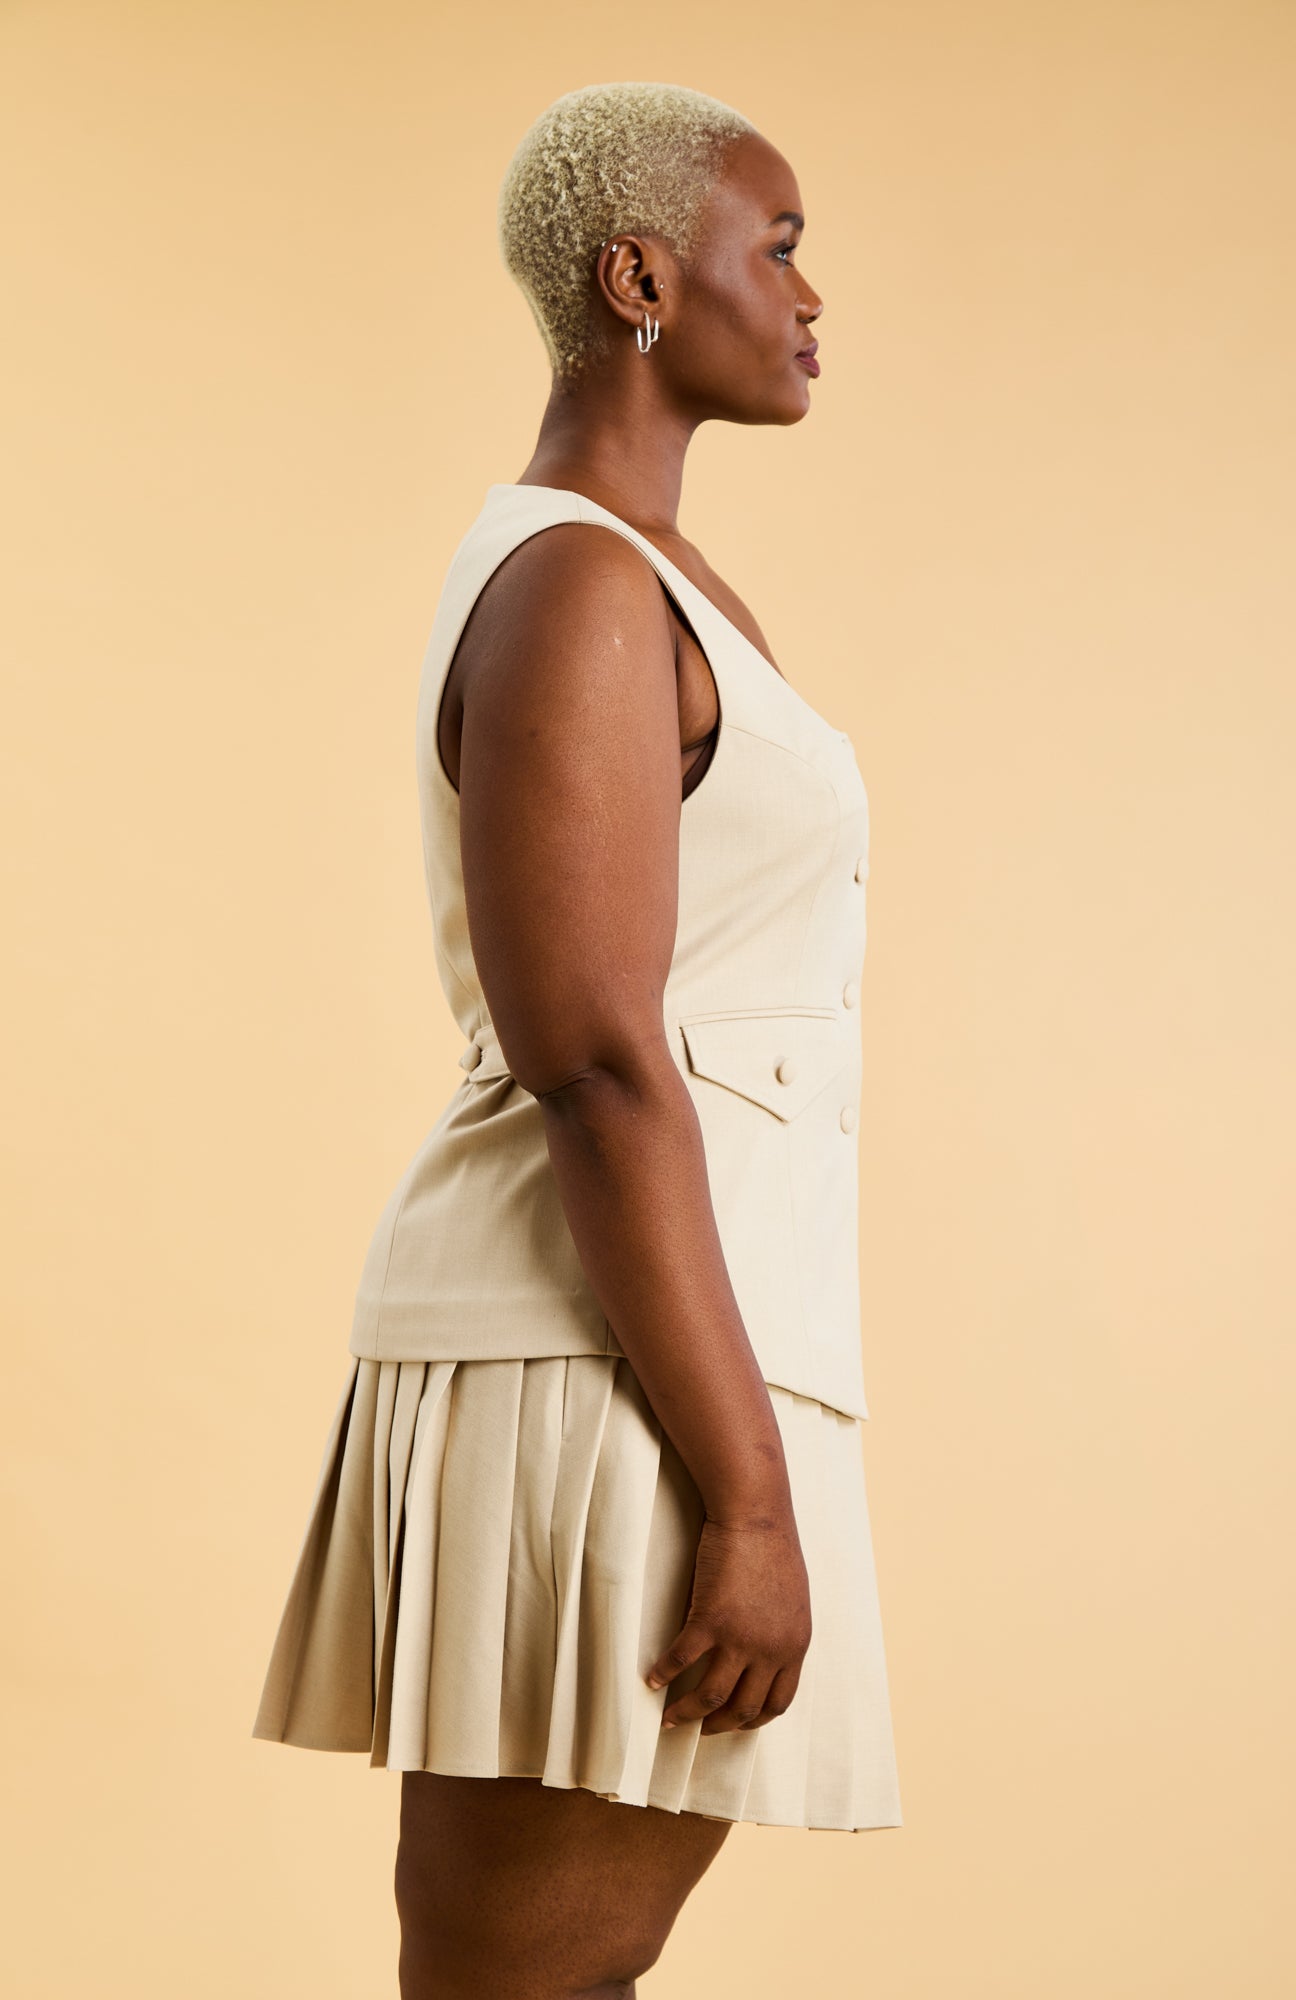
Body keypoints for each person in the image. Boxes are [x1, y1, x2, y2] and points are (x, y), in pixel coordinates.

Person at [252, 80, 902, 1998]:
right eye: (775, 246)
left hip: (658, 1348)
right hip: (599, 1362)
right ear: (637, 277)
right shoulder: (578, 589)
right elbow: (600, 1060)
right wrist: (754, 1498)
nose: (808, 295)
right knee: (521, 1986)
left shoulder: (649, 582)